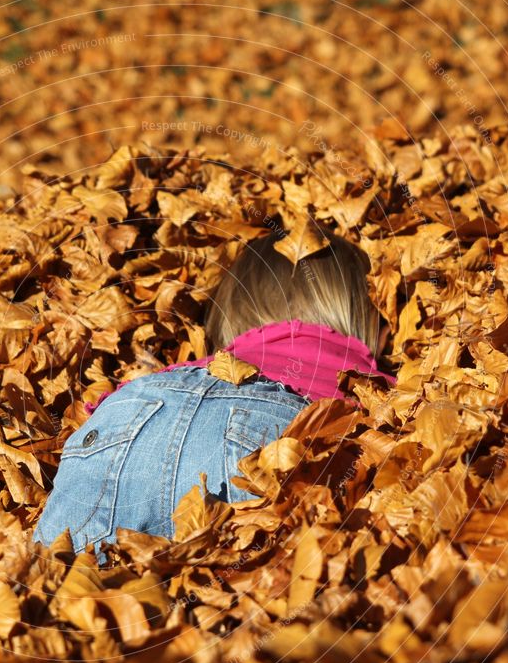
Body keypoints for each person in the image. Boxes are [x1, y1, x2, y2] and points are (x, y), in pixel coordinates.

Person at [32, 224, 394, 554]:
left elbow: (104, 408)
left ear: (231, 316)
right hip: (272, 427)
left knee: (60, 586)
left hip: (135, 410)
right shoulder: (362, 380)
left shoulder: (211, 362)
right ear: (367, 319)